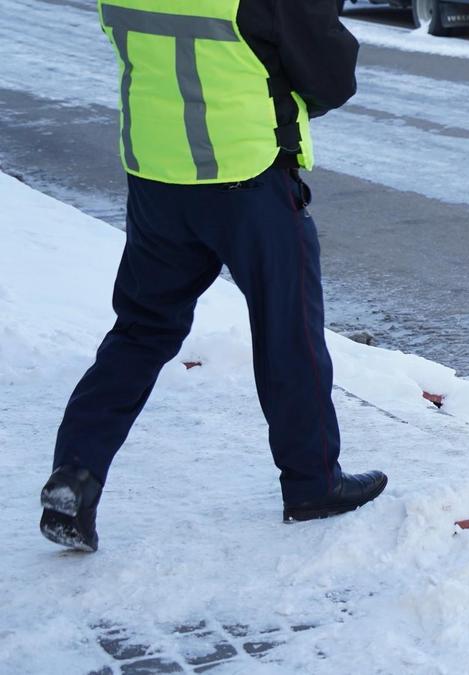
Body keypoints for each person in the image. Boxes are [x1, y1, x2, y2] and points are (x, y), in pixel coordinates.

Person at [39, 0, 388, 553]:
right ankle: (312, 483)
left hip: (157, 175)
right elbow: (332, 74)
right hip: (245, 178)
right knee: (287, 331)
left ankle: (76, 475)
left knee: (141, 331)